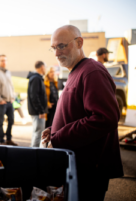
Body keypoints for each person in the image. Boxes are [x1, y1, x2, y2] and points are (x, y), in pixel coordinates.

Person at [42, 25, 123, 201]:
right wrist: (53, 130)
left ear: (79, 42)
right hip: (78, 166)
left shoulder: (92, 71)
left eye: (62, 46)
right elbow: (76, 111)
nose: (56, 53)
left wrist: (60, 136)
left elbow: (105, 118)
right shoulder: (76, 71)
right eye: (54, 48)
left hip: (90, 170)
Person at [0, 55, 18, 146]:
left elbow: (11, 86)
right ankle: (2, 141)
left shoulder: (8, 72)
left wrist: (13, 97)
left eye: (5, 60)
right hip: (0, 102)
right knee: (0, 122)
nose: (4, 62)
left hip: (10, 102)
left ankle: (9, 139)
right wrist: (0, 100)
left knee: (11, 120)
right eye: (2, 60)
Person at [27, 61, 48, 147]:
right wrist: (41, 111)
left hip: (36, 111)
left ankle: (33, 152)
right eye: (45, 67)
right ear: (42, 67)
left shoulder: (36, 78)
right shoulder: (36, 78)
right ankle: (34, 154)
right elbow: (34, 96)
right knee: (38, 134)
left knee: (37, 133)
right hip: (37, 112)